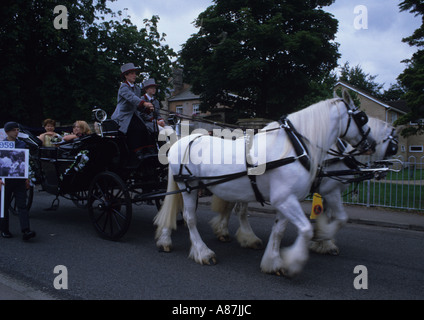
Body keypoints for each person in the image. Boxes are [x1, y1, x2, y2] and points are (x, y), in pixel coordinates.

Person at [111, 63, 157, 160]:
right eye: (131, 73)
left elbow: (137, 105)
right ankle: (137, 152)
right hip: (123, 116)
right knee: (135, 128)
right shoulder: (123, 87)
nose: (134, 75)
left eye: (135, 73)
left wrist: (147, 109)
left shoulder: (137, 88)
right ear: (126, 75)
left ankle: (149, 150)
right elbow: (132, 98)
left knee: (144, 128)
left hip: (133, 114)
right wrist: (144, 103)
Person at [0, 121, 36, 241]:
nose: (16, 132)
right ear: (7, 132)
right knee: (4, 205)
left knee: (22, 205)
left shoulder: (21, 143)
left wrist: (27, 177)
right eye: (14, 130)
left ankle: (26, 230)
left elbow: (25, 161)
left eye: (17, 130)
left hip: (19, 178)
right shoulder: (2, 144)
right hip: (6, 179)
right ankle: (4, 229)